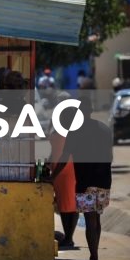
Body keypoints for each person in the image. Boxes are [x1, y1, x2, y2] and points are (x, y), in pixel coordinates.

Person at [50, 97, 113, 260]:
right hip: (103, 180)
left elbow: (64, 158)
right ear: (91, 110)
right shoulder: (104, 129)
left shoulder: (75, 132)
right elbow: (110, 157)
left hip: (85, 182)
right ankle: (94, 259)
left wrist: (53, 177)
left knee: (90, 219)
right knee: (96, 219)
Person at [48, 93, 78, 248]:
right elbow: (55, 148)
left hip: (65, 169)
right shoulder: (58, 123)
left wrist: (54, 173)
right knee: (67, 203)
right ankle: (68, 236)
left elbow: (66, 153)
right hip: (59, 166)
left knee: (67, 205)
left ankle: (69, 237)